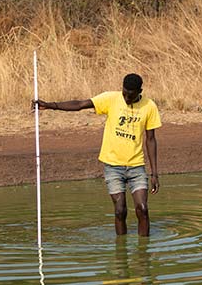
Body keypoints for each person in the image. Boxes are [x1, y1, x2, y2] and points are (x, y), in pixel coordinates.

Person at [34, 73, 161, 236]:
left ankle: (144, 256)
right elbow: (80, 104)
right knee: (120, 211)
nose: (127, 98)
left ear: (139, 91)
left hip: (136, 166)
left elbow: (151, 140)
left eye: (131, 95)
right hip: (113, 166)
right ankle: (121, 253)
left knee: (142, 209)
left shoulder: (149, 106)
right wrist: (51, 105)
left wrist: (154, 174)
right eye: (125, 93)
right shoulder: (111, 99)